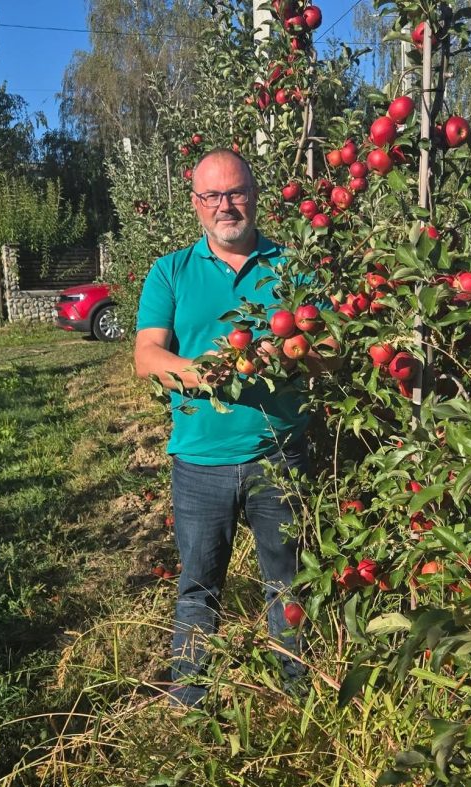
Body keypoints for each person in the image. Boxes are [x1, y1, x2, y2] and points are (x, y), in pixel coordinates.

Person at [133, 148, 335, 708]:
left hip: (279, 455)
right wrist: (205, 373)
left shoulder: (293, 268)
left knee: (289, 584)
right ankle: (191, 704)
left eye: (236, 192)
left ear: (254, 194)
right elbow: (147, 356)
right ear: (196, 204)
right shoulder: (170, 270)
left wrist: (291, 350)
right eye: (212, 196)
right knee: (198, 589)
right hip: (199, 463)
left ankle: (297, 701)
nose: (226, 206)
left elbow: (330, 351)